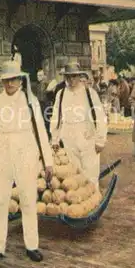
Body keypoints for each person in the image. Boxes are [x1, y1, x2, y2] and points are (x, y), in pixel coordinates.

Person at [0, 54, 53, 264]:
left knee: (28, 198)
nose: (10, 83)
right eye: (6, 80)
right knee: (0, 199)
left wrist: (48, 162)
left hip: (26, 151)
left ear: (20, 80)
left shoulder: (30, 102)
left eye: (13, 79)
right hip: (2, 151)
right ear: (2, 81)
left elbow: (40, 132)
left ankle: (32, 245)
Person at [50, 62, 107, 190]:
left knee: (90, 171)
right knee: (74, 172)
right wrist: (55, 138)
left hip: (87, 134)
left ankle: (93, 197)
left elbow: (100, 116)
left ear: (80, 76)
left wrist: (100, 140)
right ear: (65, 78)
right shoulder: (61, 94)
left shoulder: (89, 93)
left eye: (74, 76)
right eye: (68, 77)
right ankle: (80, 201)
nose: (71, 80)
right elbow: (56, 117)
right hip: (68, 135)